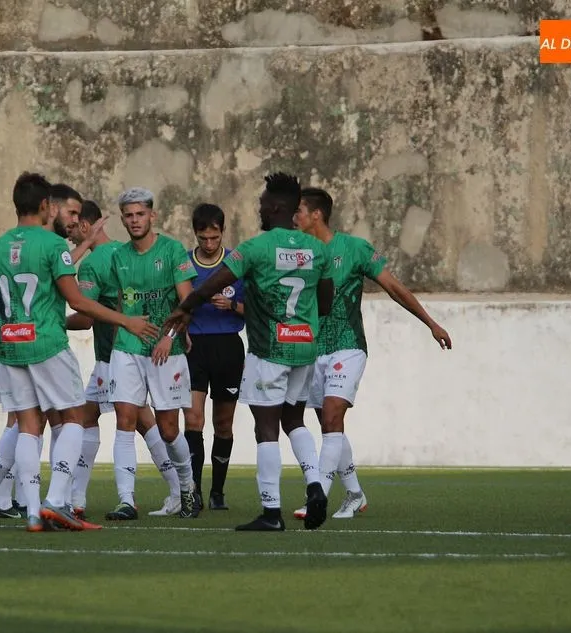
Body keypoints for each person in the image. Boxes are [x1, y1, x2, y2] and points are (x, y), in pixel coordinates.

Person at [0, 172, 158, 532]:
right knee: (73, 418)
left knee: (28, 426)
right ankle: (56, 501)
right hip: (48, 343)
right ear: (45, 206)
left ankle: (35, 512)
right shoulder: (53, 247)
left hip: (9, 344)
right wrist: (125, 320)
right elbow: (77, 299)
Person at [164, 173, 334, 531]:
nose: (258, 207)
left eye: (261, 203)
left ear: (274, 207)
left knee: (267, 429)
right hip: (305, 346)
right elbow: (326, 301)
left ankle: (271, 511)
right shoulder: (318, 249)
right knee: (295, 421)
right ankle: (315, 485)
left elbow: (217, 280)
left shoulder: (256, 248)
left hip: (268, 350)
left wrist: (187, 306)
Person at [291, 187, 452, 521]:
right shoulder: (296, 253)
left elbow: (394, 287)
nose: (295, 219)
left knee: (333, 416)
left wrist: (431, 323)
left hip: (348, 345)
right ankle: (354, 493)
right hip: (311, 349)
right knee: (327, 423)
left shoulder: (353, 248)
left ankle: (316, 496)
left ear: (317, 214)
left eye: (299, 212)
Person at [65, 200, 184, 518]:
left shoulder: (92, 265)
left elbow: (86, 315)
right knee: (144, 422)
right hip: (137, 351)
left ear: (87, 227)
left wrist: (55, 321)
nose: (70, 234)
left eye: (75, 227)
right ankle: (179, 490)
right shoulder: (123, 252)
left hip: (114, 356)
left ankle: (78, 499)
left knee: (86, 417)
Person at [105, 187, 200, 520]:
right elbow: (121, 303)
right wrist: (119, 336)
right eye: (128, 215)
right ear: (123, 219)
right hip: (127, 349)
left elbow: (188, 304)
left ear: (152, 216)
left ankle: (187, 489)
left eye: (140, 214)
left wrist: (171, 336)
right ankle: (126, 500)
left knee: (169, 429)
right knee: (125, 421)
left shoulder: (173, 251)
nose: (134, 220)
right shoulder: (118, 257)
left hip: (165, 351)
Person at [182, 203, 245, 512]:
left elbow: (258, 309)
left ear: (223, 232)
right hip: (194, 348)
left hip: (228, 347)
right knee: (193, 418)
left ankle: (217, 492)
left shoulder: (237, 264)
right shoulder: (184, 265)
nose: (209, 244)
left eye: (214, 237)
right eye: (203, 238)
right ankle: (192, 491)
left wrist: (232, 306)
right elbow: (176, 305)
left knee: (223, 423)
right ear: (195, 234)